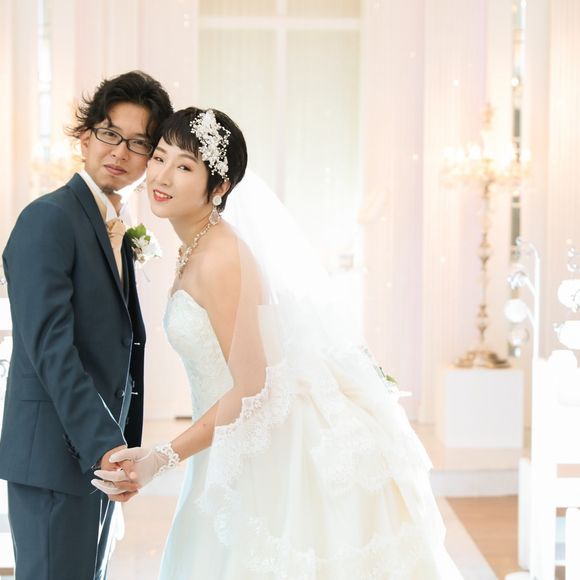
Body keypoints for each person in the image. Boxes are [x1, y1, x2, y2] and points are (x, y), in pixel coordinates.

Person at [93, 107, 464, 579]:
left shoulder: (219, 258)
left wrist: (163, 457)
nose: (162, 176)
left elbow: (251, 386)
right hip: (226, 437)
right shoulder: (199, 245)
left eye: (185, 166)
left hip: (260, 445)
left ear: (219, 187)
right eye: (160, 157)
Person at [0, 70, 173, 580]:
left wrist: (117, 449)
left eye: (138, 143)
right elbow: (50, 348)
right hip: (57, 458)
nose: (120, 152)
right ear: (84, 137)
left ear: (150, 158)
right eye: (109, 133)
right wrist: (105, 445)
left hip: (92, 458)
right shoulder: (48, 218)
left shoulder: (112, 226)